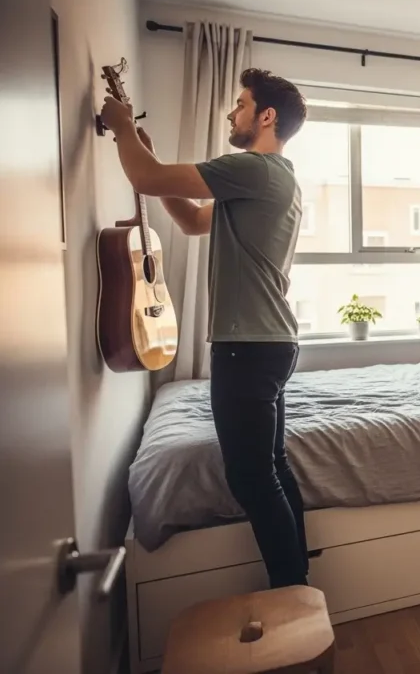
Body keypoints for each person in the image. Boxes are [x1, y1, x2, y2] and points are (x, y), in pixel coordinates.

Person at [100, 68, 309, 589]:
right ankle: (298, 583)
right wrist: (139, 151)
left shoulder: (254, 169)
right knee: (271, 467)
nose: (232, 114)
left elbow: (147, 179)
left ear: (266, 116)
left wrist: (123, 127)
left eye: (240, 105)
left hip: (249, 346)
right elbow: (193, 221)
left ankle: (292, 592)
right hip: (269, 344)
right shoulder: (271, 178)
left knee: (251, 475)